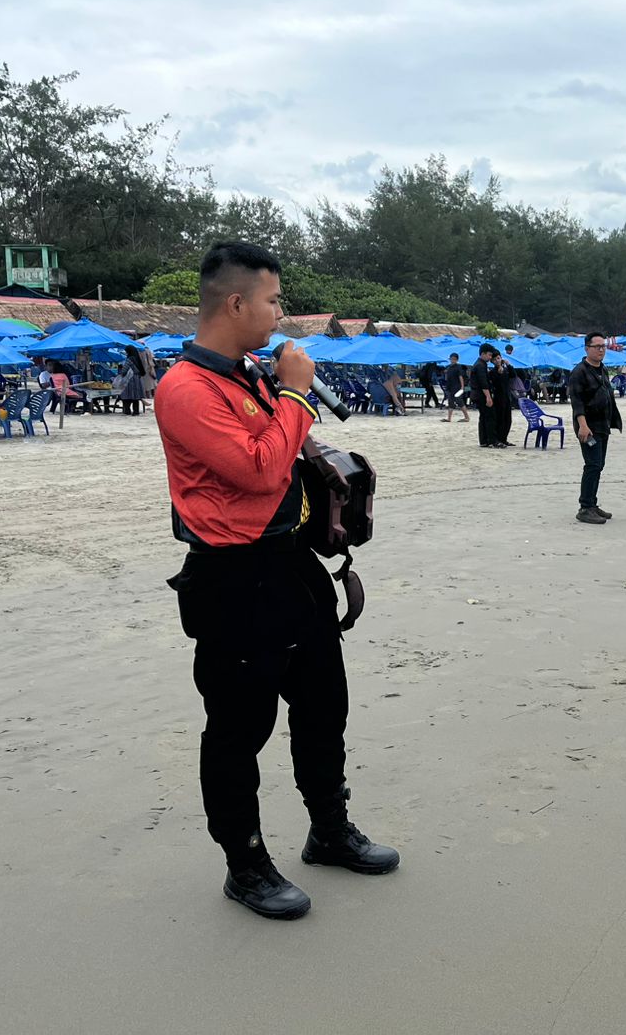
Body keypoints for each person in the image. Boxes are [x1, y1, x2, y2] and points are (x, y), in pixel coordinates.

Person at [156, 242, 398, 922]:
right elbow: (260, 470)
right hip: (233, 576)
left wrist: (288, 401)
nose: (279, 313)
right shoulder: (186, 389)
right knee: (237, 727)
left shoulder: (248, 374)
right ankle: (246, 862)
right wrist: (294, 391)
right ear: (236, 303)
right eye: (273, 300)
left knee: (325, 703)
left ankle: (329, 829)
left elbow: (289, 451)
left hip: (293, 561)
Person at [568, 332, 621, 524]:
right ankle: (585, 507)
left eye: (603, 346)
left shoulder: (603, 369)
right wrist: (582, 425)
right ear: (587, 348)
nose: (601, 350)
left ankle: (592, 503)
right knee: (592, 465)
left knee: (599, 465)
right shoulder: (579, 372)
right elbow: (577, 401)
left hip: (602, 425)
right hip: (588, 427)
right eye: (597, 346)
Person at [470, 345, 499, 448]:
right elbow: (483, 383)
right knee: (489, 417)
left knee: (483, 417)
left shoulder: (479, 364)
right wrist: (488, 397)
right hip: (481, 395)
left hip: (477, 395)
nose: (490, 357)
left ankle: (484, 440)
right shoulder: (480, 366)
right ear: (483, 354)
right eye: (489, 355)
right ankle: (491, 440)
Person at [441, 353, 468, 422]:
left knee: (460, 402)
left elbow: (460, 377)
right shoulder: (449, 367)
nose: (452, 360)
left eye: (454, 359)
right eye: (451, 359)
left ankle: (467, 417)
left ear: (457, 360)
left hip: (457, 387)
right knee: (450, 402)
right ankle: (449, 418)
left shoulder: (458, 367)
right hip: (450, 387)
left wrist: (462, 387)